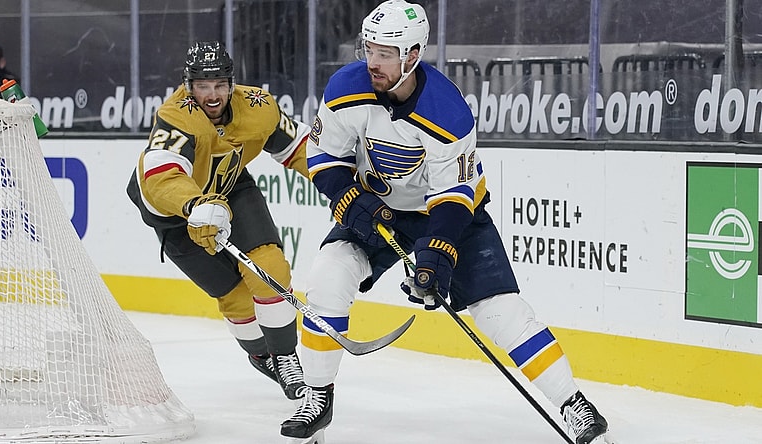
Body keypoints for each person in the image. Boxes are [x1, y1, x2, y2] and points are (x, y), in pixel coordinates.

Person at [281, 2, 610, 444]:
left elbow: (454, 196)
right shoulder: (346, 87)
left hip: (448, 215)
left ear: (413, 55)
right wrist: (346, 196)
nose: (372, 62)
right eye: (369, 49)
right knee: (327, 276)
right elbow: (324, 155)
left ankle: (574, 405)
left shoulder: (447, 110)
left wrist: (437, 252)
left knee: (500, 311)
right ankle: (317, 398)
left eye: (385, 54)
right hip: (378, 209)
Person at [126, 41, 311, 403]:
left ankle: (286, 357)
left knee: (269, 266)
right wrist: (194, 204)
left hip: (231, 189)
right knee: (236, 297)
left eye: (220, 85)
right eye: (203, 86)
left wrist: (343, 180)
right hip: (176, 215)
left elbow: (301, 147)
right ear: (188, 86)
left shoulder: (257, 106)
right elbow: (160, 175)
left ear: (231, 83)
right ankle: (262, 355)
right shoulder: (176, 115)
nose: (212, 95)